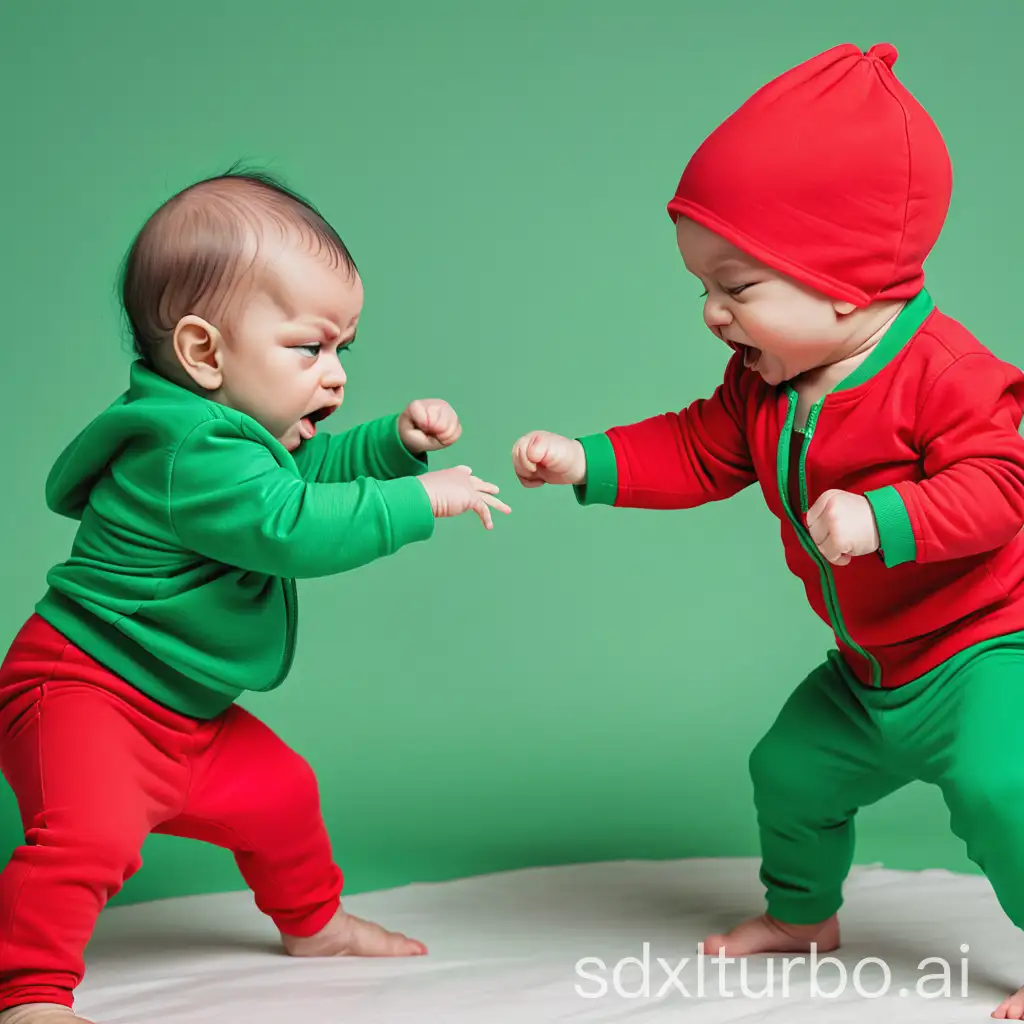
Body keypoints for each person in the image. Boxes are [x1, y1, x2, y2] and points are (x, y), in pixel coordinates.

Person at [511, 43, 1024, 1019]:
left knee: (1008, 791)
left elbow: (1002, 486)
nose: (711, 313)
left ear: (841, 283)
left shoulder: (944, 374)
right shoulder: (765, 381)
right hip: (868, 667)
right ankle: (802, 918)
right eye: (703, 286)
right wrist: (586, 460)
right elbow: (702, 449)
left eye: (736, 287)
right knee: (787, 771)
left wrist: (883, 518)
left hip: (981, 654)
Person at [0, 170, 510, 1024]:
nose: (335, 374)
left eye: (345, 349)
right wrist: (422, 500)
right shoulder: (182, 451)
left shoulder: (239, 441)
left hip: (178, 712)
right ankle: (31, 996)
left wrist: (391, 446)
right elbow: (291, 526)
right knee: (88, 838)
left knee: (281, 795)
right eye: (310, 350)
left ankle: (313, 926)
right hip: (84, 691)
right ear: (204, 354)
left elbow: (301, 474)